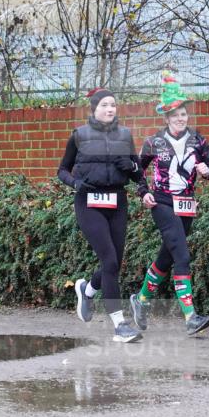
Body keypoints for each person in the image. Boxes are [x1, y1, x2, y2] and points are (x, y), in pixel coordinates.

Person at [130, 73, 209, 335]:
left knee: (167, 256)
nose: (181, 118)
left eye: (184, 114)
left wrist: (208, 171)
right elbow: (137, 169)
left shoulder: (197, 141)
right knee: (181, 254)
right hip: (162, 202)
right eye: (176, 115)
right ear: (167, 118)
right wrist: (143, 192)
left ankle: (142, 300)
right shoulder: (154, 142)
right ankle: (190, 316)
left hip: (187, 205)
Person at [58, 88, 147, 343]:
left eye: (113, 105)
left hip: (117, 201)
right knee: (108, 260)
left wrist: (129, 166)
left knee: (114, 264)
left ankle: (86, 290)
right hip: (89, 202)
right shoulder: (79, 135)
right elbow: (62, 170)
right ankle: (120, 325)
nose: (110, 109)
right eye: (105, 105)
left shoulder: (125, 135)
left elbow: (138, 173)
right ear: (94, 108)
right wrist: (75, 184)